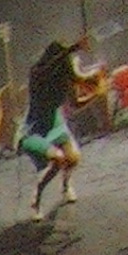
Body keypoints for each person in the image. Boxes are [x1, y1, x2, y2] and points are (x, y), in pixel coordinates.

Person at [19, 38, 88, 212]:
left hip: (54, 121)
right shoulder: (37, 73)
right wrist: (72, 49)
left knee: (72, 159)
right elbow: (48, 68)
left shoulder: (65, 78)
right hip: (35, 126)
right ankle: (37, 195)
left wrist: (96, 93)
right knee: (57, 159)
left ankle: (65, 186)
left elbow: (75, 103)